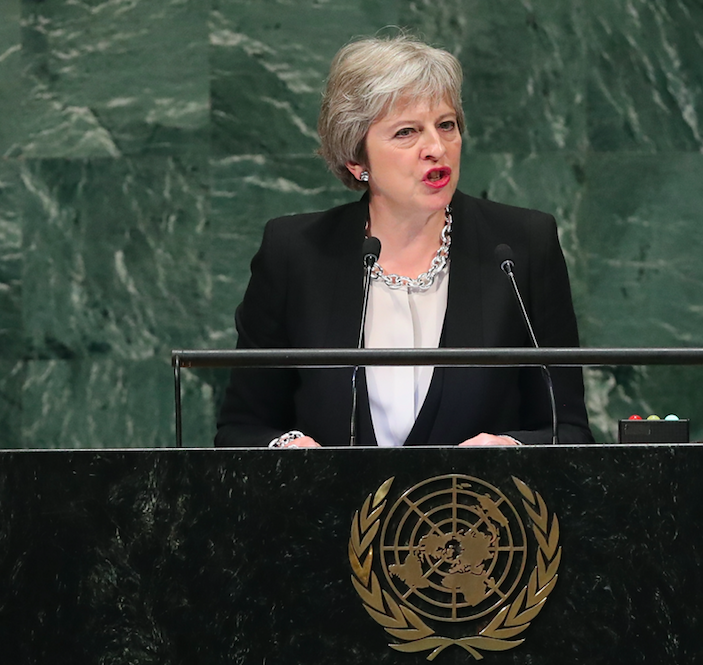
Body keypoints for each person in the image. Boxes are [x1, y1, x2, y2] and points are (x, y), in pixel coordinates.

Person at [215, 34, 592, 448]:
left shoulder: (520, 248)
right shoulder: (295, 252)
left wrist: (512, 449)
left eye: (446, 125)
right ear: (357, 160)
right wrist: (287, 449)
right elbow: (242, 427)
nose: (436, 147)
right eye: (406, 132)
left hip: (474, 509)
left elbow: (567, 428)